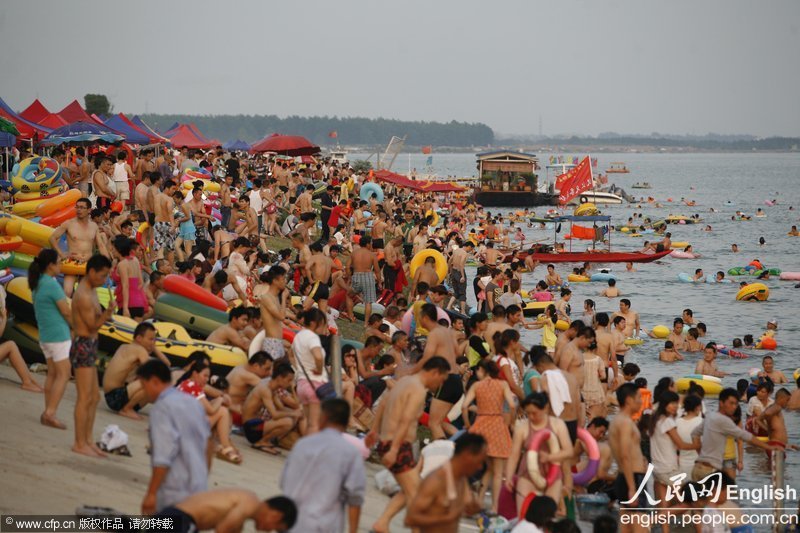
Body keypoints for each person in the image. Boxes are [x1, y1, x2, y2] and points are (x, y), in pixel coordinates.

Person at [365, 356, 451, 533]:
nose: (440, 385)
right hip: (397, 446)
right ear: (435, 373)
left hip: (389, 442)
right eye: (442, 380)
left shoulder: (404, 382)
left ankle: (382, 523)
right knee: (417, 497)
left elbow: (384, 404)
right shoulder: (418, 390)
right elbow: (407, 419)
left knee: (409, 490)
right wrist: (394, 449)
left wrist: (373, 431)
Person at [280, 399, 366, 533]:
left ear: (324, 417)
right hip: (325, 525)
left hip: (292, 521)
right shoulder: (351, 453)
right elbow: (355, 498)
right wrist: (353, 530)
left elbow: (284, 482)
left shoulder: (302, 444)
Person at [137, 359, 211, 514]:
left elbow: (163, 457)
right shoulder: (193, 403)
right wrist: (202, 474)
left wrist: (151, 493)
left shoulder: (162, 408)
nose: (144, 392)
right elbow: (209, 444)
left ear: (155, 381)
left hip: (175, 489)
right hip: (199, 485)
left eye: (144, 386)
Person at [70, 254, 115, 457]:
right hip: (83, 344)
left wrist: (105, 312)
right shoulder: (84, 295)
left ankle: (87, 440)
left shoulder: (93, 291)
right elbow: (92, 325)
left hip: (90, 344)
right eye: (102, 275)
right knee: (85, 397)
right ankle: (79, 442)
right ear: (91, 272)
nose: (104, 279)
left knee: (94, 397)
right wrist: (107, 314)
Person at [461, 359, 516, 514]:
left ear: (482, 370)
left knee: (487, 469)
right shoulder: (502, 385)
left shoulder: (477, 386)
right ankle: (494, 507)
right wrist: (510, 422)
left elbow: (464, 406)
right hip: (498, 425)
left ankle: (477, 501)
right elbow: (512, 405)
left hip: (480, 425)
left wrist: (467, 424)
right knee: (497, 472)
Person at [691, 388, 780, 481]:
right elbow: (745, 436)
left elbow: (694, 434)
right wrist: (769, 447)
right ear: (721, 403)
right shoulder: (723, 420)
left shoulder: (710, 416)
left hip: (699, 468)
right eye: (731, 403)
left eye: (736, 404)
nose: (734, 407)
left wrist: (700, 453)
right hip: (709, 472)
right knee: (728, 493)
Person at [504, 392, 573, 511]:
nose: (531, 417)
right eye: (528, 413)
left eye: (534, 413)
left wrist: (549, 457)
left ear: (545, 408)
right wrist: (509, 477)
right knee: (523, 513)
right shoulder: (522, 428)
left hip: (552, 475)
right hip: (527, 474)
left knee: (547, 515)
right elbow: (514, 456)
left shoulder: (557, 424)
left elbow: (568, 451)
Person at [405, 433, 486, 532]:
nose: (480, 467)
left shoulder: (462, 478)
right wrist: (444, 519)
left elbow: (464, 507)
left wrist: (473, 508)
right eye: (480, 461)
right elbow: (410, 519)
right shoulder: (435, 481)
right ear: (467, 455)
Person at [30, 250, 72, 428]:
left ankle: (48, 410)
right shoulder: (52, 285)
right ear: (50, 265)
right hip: (58, 334)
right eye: (59, 262)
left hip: (46, 334)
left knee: (53, 374)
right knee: (64, 374)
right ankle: (50, 413)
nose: (61, 265)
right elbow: (66, 311)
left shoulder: (38, 283)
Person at [647, 391, 700, 532]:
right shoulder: (668, 421)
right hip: (669, 468)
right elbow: (681, 445)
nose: (675, 406)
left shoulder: (655, 419)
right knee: (688, 503)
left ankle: (665, 531)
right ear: (664, 404)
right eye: (672, 403)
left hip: (657, 468)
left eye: (677, 403)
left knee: (664, 506)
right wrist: (697, 446)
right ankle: (649, 521)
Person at [409, 303, 461, 440]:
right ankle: (462, 442)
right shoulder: (448, 332)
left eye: (419, 317)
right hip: (456, 380)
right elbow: (457, 352)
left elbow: (427, 358)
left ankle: (443, 452)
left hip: (446, 380)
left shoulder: (434, 334)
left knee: (433, 423)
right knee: (441, 421)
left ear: (425, 317)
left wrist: (411, 372)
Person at [176, 360, 242, 465]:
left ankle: (223, 445)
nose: (206, 379)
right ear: (195, 373)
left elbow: (205, 406)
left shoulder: (186, 384)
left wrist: (217, 401)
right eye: (204, 376)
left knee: (219, 408)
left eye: (208, 377)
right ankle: (226, 446)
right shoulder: (194, 387)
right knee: (222, 411)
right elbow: (210, 410)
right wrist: (220, 400)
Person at [103, 322, 170, 419]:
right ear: (139, 338)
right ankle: (126, 409)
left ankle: (129, 407)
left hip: (113, 396)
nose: (153, 342)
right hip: (116, 396)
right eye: (151, 339)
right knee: (151, 381)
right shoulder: (139, 350)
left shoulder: (124, 346)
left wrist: (153, 347)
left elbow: (167, 364)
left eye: (154, 340)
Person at [154, 490, 297, 533]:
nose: (268, 531)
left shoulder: (245, 507)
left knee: (136, 525)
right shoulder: (250, 503)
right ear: (276, 516)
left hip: (174, 516)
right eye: (275, 528)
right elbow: (222, 530)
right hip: (181, 522)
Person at [48, 197, 108, 297]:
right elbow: (52, 238)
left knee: (85, 294)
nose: (79, 210)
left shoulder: (94, 226)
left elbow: (101, 246)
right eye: (77, 207)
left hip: (88, 262)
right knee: (67, 291)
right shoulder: (69, 223)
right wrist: (61, 254)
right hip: (72, 261)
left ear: (89, 210)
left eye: (82, 207)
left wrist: (107, 263)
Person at [241, 363, 305, 453]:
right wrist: (293, 413)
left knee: (294, 416)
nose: (290, 383)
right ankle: (261, 442)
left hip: (257, 425)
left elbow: (281, 408)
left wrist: (297, 412)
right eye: (289, 380)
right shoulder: (265, 389)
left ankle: (266, 441)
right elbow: (275, 414)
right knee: (288, 421)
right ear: (279, 378)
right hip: (251, 428)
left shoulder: (272, 386)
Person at [608, 383, 647, 530]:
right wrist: (632, 488)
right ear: (629, 400)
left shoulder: (618, 420)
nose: (641, 401)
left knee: (626, 527)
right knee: (640, 527)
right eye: (638, 398)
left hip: (625, 477)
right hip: (632, 478)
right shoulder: (624, 422)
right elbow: (624, 455)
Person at [291, 308, 330, 434]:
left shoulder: (298, 336)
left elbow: (291, 355)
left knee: (308, 422)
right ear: (314, 323)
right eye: (323, 324)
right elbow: (318, 356)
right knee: (314, 425)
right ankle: (310, 452)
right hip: (315, 384)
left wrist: (299, 369)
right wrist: (318, 370)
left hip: (302, 384)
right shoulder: (312, 337)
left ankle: (305, 450)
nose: (324, 328)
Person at [224, 351, 274, 417]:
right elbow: (270, 388)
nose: (269, 373)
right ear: (256, 366)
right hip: (234, 412)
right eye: (267, 369)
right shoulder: (245, 375)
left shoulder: (241, 367)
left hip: (235, 408)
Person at [350, 235, 382, 326]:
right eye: (371, 243)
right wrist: (379, 282)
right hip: (368, 276)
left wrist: (349, 277)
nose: (372, 244)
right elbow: (377, 271)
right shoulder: (372, 255)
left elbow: (349, 266)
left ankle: (350, 315)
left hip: (356, 275)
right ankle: (365, 323)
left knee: (349, 296)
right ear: (367, 244)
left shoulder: (354, 253)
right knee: (368, 302)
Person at [259, 265, 288, 360]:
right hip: (271, 342)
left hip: (278, 341)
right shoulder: (266, 297)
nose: (285, 282)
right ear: (275, 281)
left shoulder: (274, 297)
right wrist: (284, 298)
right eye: (283, 279)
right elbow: (281, 317)